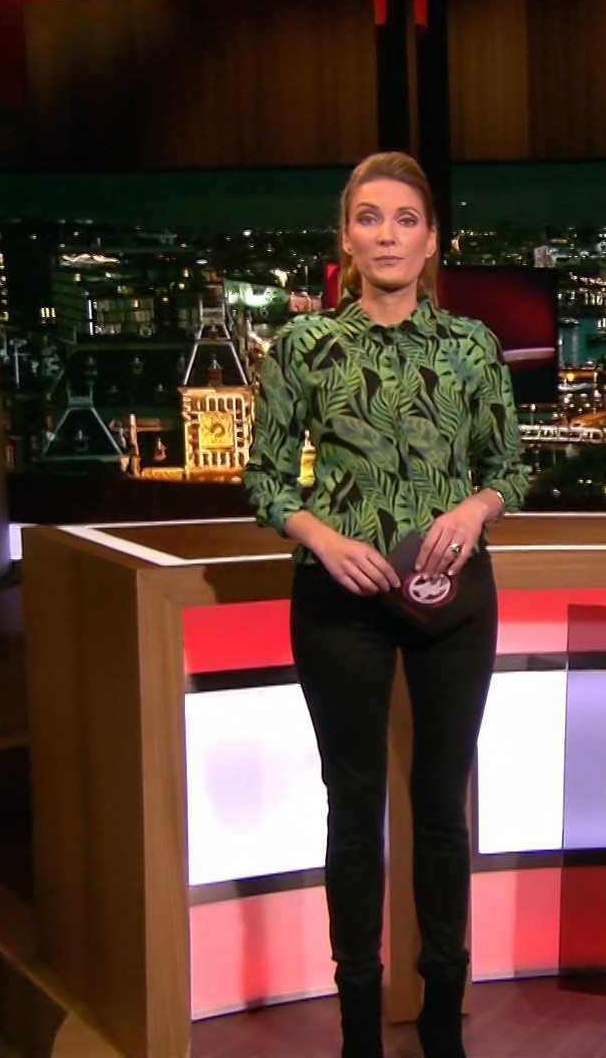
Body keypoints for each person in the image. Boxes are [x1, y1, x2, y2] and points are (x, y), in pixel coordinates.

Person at [245, 151, 526, 1058]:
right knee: (353, 807)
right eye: (370, 218)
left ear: (432, 239)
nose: (389, 235)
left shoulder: (472, 347)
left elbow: (511, 471)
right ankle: (358, 1030)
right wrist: (323, 539)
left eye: (406, 219)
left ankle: (443, 1023)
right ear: (347, 237)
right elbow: (263, 480)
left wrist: (474, 509)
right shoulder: (302, 347)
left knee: (442, 805)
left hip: (453, 598)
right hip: (340, 601)